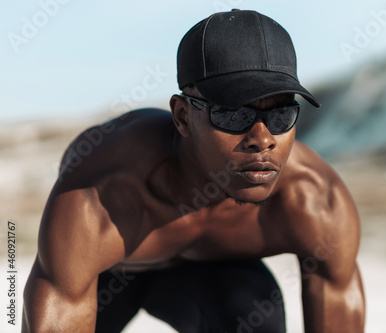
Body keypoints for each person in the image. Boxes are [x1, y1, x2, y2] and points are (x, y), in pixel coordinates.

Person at [22, 9, 365, 333]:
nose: (262, 140)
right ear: (183, 116)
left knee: (254, 312)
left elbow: (337, 295)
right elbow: (60, 302)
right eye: (233, 115)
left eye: (280, 116)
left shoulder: (312, 199)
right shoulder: (102, 193)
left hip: (213, 283)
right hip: (108, 276)